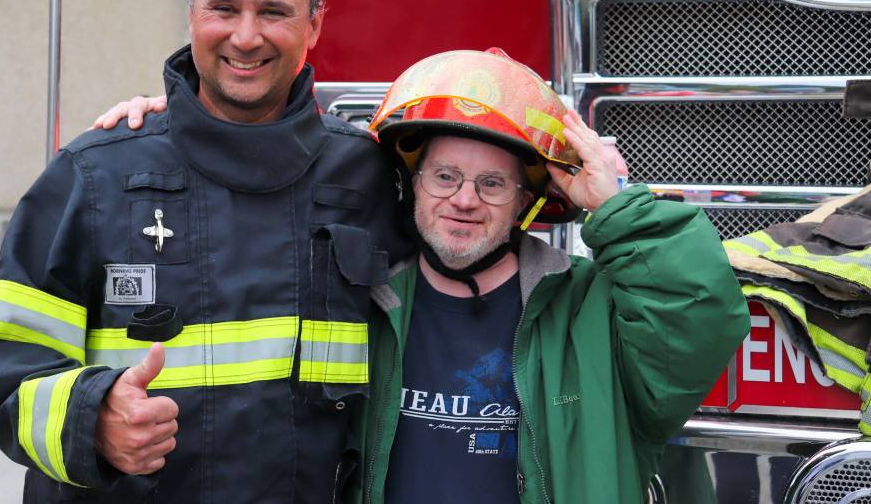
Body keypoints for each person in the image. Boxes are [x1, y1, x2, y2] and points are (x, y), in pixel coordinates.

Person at [101, 48, 750, 502]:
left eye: (492, 182)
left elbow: (698, 319)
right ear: (410, 185)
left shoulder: (590, 312)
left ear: (529, 198)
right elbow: (259, 210)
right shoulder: (357, 305)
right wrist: (194, 125)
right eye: (445, 176)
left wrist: (615, 205)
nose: (465, 199)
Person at [0, 0, 408, 504]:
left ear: (315, 23)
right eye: (224, 9)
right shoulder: (96, 174)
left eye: (274, 11)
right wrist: (92, 420)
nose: (246, 36)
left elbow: (474, 300)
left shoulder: (371, 176)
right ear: (191, 14)